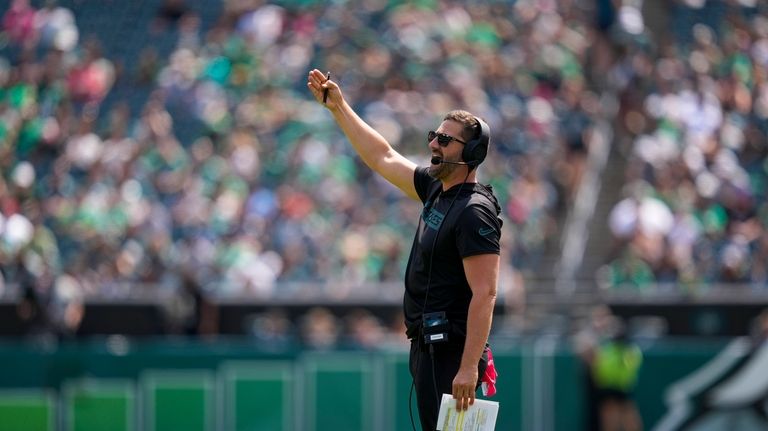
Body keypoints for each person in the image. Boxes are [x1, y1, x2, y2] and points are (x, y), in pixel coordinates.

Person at [307, 69, 502, 430]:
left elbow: (486, 293)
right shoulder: (436, 189)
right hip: (428, 346)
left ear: (471, 152)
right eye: (434, 136)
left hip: (452, 354)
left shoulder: (474, 211)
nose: (434, 145)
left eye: (445, 140)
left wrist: (467, 367)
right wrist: (339, 108)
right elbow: (383, 157)